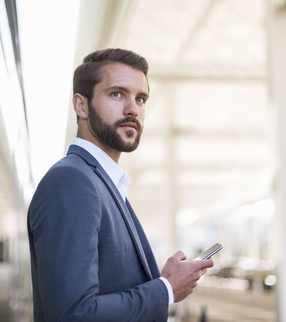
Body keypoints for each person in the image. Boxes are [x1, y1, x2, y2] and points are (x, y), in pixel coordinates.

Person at [27, 48, 214, 321]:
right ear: (81, 106)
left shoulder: (103, 184)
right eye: (117, 94)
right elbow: (73, 314)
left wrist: (160, 282)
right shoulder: (71, 181)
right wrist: (166, 289)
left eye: (141, 98)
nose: (132, 109)